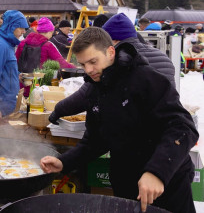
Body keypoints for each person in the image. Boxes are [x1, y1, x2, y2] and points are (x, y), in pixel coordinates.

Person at [41, 27, 198, 213]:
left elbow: (183, 127)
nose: (89, 70)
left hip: (167, 183)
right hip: (127, 184)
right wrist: (64, 162)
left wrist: (156, 172)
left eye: (93, 61)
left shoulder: (147, 79)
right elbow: (95, 141)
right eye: (83, 65)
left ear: (110, 52)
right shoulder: (95, 89)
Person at [49, 13, 177, 124]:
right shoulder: (163, 57)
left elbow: (85, 95)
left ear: (113, 42)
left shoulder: (120, 62)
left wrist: (58, 110)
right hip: (165, 125)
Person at [16, 17, 75, 96]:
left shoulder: (22, 43)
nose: (51, 36)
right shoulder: (48, 45)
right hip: (40, 88)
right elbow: (62, 63)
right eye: (51, 33)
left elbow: (14, 63)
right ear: (49, 32)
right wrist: (75, 69)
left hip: (22, 87)